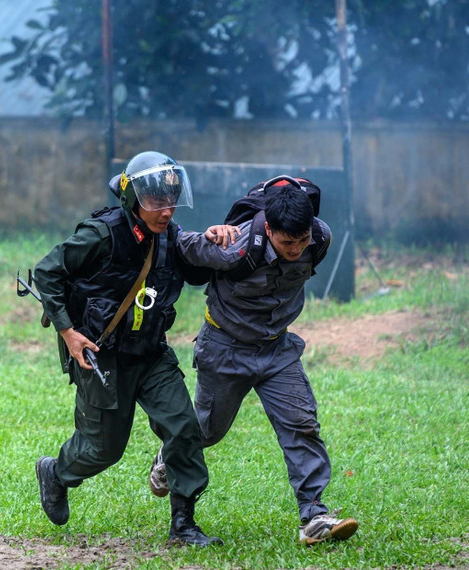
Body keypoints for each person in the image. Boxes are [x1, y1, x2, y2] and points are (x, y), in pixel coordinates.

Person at [31, 151, 222, 547]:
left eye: (171, 201)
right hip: (100, 355)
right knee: (104, 449)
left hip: (151, 353)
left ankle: (184, 526)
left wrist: (213, 241)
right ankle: (56, 472)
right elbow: (48, 271)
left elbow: (197, 272)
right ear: (132, 200)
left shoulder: (168, 237)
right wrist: (68, 332)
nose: (166, 211)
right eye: (155, 202)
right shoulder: (101, 235)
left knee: (183, 428)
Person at [153, 180, 358, 545]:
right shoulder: (236, 246)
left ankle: (313, 515)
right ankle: (170, 455)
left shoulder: (320, 238)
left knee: (301, 423)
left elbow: (306, 248)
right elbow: (181, 243)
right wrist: (211, 232)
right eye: (286, 243)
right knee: (206, 431)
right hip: (225, 348)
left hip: (277, 349)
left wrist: (304, 243)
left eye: (301, 241)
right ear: (268, 229)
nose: (296, 249)